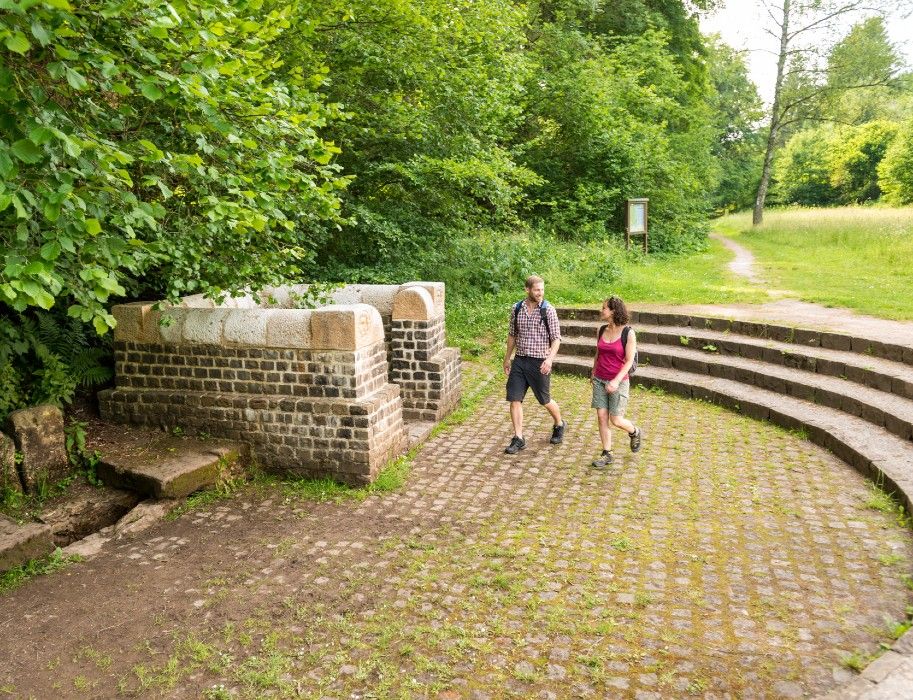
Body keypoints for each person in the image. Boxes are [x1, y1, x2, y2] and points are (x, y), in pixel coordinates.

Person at [503, 275, 566, 454]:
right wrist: (507, 357)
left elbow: (556, 339)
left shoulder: (549, 310)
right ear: (527, 290)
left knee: (544, 400)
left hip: (540, 362)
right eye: (537, 290)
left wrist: (549, 359)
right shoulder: (516, 309)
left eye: (542, 290)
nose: (541, 293)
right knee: (514, 398)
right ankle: (518, 438)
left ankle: (559, 424)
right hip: (520, 360)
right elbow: (512, 335)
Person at [590, 295, 642, 468]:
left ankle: (634, 431)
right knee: (601, 416)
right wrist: (593, 371)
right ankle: (607, 453)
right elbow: (598, 353)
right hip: (599, 378)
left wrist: (616, 381)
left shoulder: (628, 333)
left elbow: (628, 361)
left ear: (613, 311)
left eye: (604, 307)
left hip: (618, 381)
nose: (601, 310)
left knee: (616, 420)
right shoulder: (601, 330)